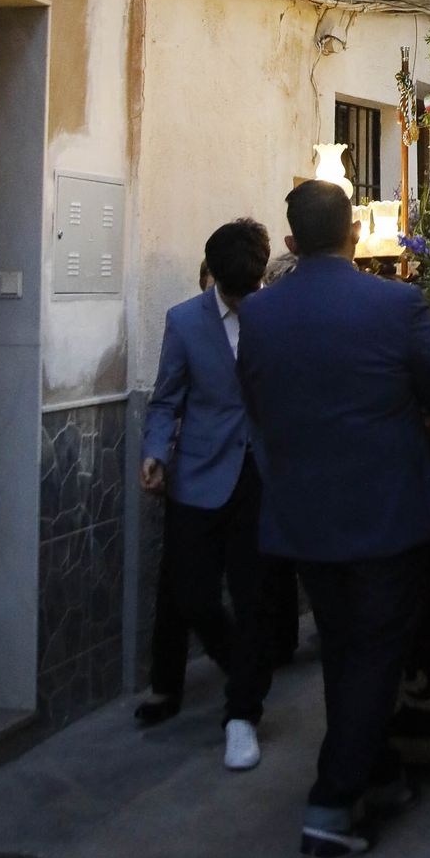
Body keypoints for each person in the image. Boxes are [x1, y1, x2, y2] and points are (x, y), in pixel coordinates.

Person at [237, 179, 430, 858]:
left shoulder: (259, 314)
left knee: (344, 648)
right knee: (376, 654)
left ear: (291, 242)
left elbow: (256, 401)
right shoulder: (394, 303)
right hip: (384, 509)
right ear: (355, 234)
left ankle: (379, 771)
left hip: (305, 513)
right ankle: (330, 806)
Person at [139, 218, 274, 771]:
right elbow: (166, 397)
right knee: (191, 593)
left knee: (255, 596)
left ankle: (242, 714)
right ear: (214, 276)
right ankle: (244, 666)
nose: (244, 302)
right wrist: (155, 451)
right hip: (197, 473)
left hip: (259, 474)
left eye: (251, 290)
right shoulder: (184, 321)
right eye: (234, 293)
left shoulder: (274, 315)